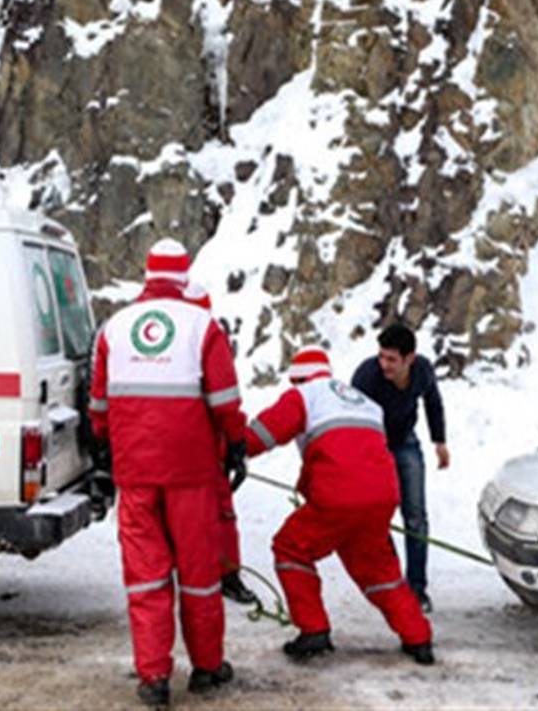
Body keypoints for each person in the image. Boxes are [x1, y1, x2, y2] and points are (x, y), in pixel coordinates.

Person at [89, 240, 248, 707]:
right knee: (199, 574)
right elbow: (224, 401)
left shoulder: (114, 328)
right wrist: (235, 444)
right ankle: (207, 667)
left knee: (146, 575)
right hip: (192, 473)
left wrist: (109, 441)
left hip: (136, 472)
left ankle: (154, 677)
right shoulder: (203, 326)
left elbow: (98, 406)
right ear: (183, 275)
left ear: (147, 273)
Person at [243, 345, 434, 665]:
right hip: (381, 496)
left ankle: (313, 630)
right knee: (379, 570)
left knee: (291, 547)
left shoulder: (305, 395)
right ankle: (418, 637)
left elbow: (264, 433)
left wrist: (229, 451)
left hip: (337, 497)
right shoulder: (365, 402)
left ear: (299, 378)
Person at [351, 323, 447, 613]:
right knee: (379, 516)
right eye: (381, 356)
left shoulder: (423, 371)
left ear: (409, 359)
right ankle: (391, 584)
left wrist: (439, 441)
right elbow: (350, 418)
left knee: (416, 517)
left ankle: (416, 588)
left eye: (391, 359)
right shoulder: (367, 376)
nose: (384, 365)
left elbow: (433, 402)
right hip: (373, 447)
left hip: (405, 442)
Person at [182, 281, 259, 607]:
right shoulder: (209, 340)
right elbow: (227, 401)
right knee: (221, 514)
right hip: (204, 449)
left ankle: (179, 578)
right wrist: (237, 444)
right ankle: (223, 577)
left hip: (168, 448)